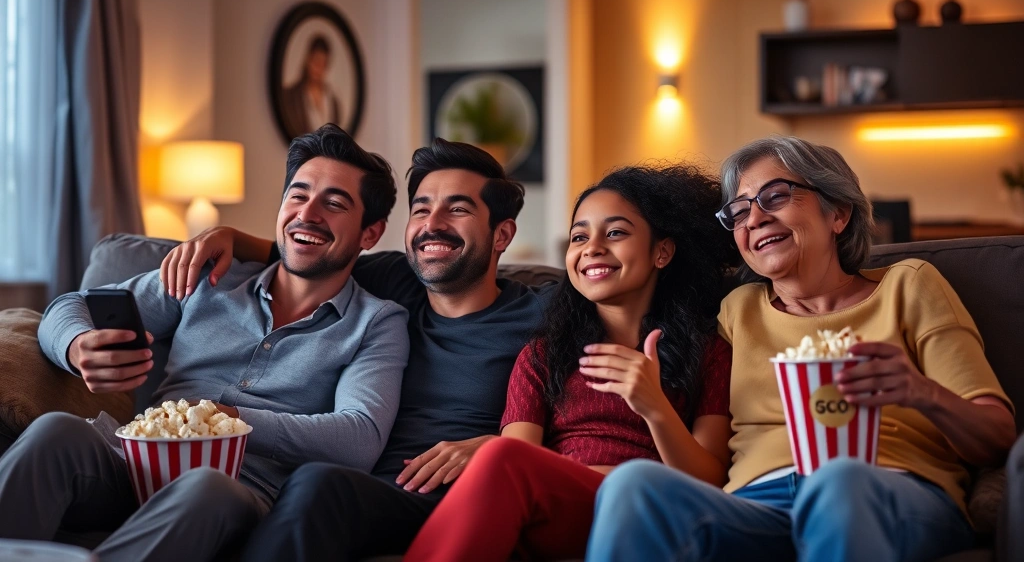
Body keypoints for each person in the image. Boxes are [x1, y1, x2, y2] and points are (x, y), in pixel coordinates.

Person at [587, 136, 1016, 562]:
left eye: (775, 196)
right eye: (739, 211)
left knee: (839, 481)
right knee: (633, 486)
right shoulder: (736, 311)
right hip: (757, 507)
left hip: (886, 492)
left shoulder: (909, 285)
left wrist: (922, 393)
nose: (754, 219)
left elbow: (997, 438)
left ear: (839, 213)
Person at [0, 123, 409, 561]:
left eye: (334, 203)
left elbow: (360, 436)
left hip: (239, 488)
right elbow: (69, 306)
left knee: (205, 485)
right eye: (298, 194)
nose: (307, 214)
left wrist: (227, 421)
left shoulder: (377, 323)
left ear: (370, 233)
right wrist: (76, 344)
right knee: (56, 430)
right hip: (132, 459)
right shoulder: (207, 278)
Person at [159, 138, 550, 560]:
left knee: (315, 483)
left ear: (502, 234)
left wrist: (499, 447)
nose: (432, 225)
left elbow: (593, 414)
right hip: (365, 489)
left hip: (456, 495)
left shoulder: (545, 312)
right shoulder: (395, 281)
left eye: (457, 209)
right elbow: (307, 247)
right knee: (303, 484)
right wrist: (226, 235)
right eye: (420, 209)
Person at [402, 164, 735, 562]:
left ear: (661, 251)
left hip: (651, 506)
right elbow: (517, 459)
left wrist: (654, 407)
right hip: (562, 509)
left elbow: (709, 480)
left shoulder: (709, 351)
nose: (592, 247)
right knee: (501, 458)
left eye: (615, 232)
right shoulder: (544, 354)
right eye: (579, 236)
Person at [281, 36, 342, 137]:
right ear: (308, 60)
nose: (318, 68)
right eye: (315, 61)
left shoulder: (332, 100)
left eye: (323, 64)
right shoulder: (291, 96)